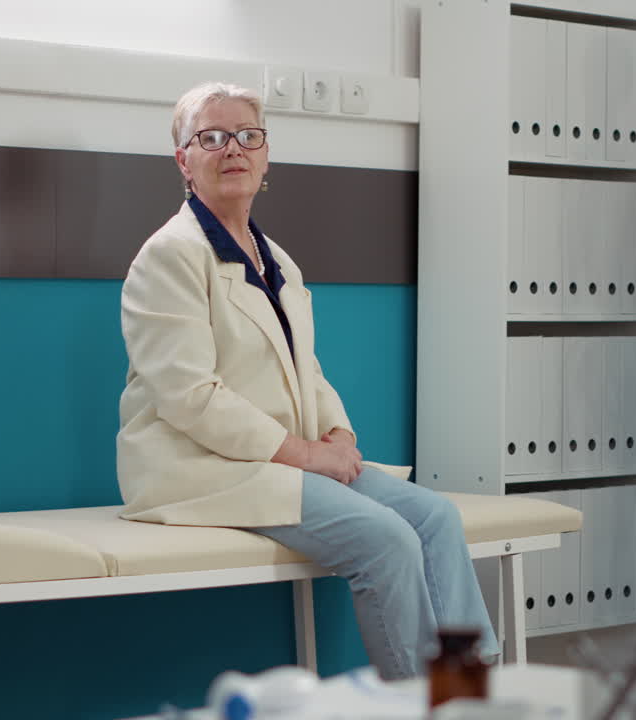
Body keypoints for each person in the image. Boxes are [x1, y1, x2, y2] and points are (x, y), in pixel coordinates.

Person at [116, 81, 497, 680]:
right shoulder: (169, 256)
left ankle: (469, 693)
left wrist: (338, 435)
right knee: (387, 538)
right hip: (200, 469)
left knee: (436, 518)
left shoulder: (276, 260)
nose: (233, 148)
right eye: (211, 138)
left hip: (282, 462)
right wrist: (307, 455)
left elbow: (306, 368)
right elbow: (189, 397)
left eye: (248, 135)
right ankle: (420, 698)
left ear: (266, 155)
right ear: (183, 161)